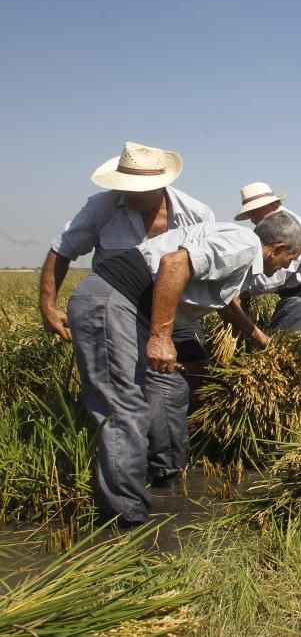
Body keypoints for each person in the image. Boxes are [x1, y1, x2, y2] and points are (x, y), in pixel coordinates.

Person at [67, 212, 301, 527]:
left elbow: (223, 301)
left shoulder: (241, 251)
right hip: (115, 301)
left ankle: (164, 477)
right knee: (124, 409)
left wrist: (259, 338)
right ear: (275, 247)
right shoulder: (244, 245)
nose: (288, 266)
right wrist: (161, 338)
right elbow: (173, 265)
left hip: (134, 309)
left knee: (171, 390)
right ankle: (128, 520)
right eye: (290, 257)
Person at [40, 141, 215, 488]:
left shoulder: (196, 214)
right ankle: (135, 479)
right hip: (118, 313)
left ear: (162, 184)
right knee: (124, 395)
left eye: (138, 189)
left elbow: (213, 274)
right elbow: (61, 251)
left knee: (171, 391)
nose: (129, 195)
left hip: (172, 316)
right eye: (124, 187)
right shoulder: (101, 208)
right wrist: (47, 305)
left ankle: (165, 471)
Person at [234, 182, 301, 377]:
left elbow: (277, 273)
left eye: (252, 213)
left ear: (265, 207)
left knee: (283, 365)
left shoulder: (282, 229)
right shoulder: (294, 221)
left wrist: (242, 289)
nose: (251, 220)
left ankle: (287, 408)